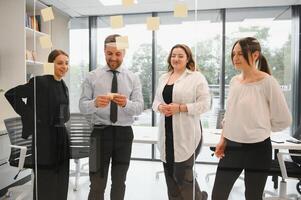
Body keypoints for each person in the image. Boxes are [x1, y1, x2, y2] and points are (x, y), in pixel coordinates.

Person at [211, 37, 292, 200]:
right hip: (232, 147)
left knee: (253, 197)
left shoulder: (268, 82)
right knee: (218, 195)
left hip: (258, 149)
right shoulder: (235, 81)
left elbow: (284, 119)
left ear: (255, 55)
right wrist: (223, 140)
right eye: (234, 54)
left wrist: (261, 127)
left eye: (241, 53)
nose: (235, 58)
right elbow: (229, 115)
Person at [79, 34, 144, 200]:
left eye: (118, 54)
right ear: (104, 51)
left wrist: (125, 104)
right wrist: (94, 103)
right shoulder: (92, 76)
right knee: (97, 183)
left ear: (124, 53)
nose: (113, 58)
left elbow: (139, 108)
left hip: (124, 135)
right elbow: (82, 106)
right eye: (110, 53)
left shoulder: (133, 78)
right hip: (100, 134)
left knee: (119, 182)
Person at [5, 49, 70, 200]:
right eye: (60, 63)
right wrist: (30, 116)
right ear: (50, 64)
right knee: (45, 183)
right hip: (44, 140)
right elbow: (11, 94)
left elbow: (64, 115)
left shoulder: (63, 85)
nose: (64, 66)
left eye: (66, 63)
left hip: (61, 138)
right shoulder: (39, 82)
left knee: (62, 180)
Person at [152, 44, 211, 200]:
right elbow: (155, 102)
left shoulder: (196, 77)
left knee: (184, 179)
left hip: (187, 135)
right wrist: (160, 106)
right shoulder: (164, 78)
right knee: (170, 178)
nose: (176, 59)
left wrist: (181, 108)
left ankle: (198, 198)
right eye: (173, 55)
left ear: (187, 59)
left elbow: (205, 104)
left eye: (180, 56)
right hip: (167, 134)